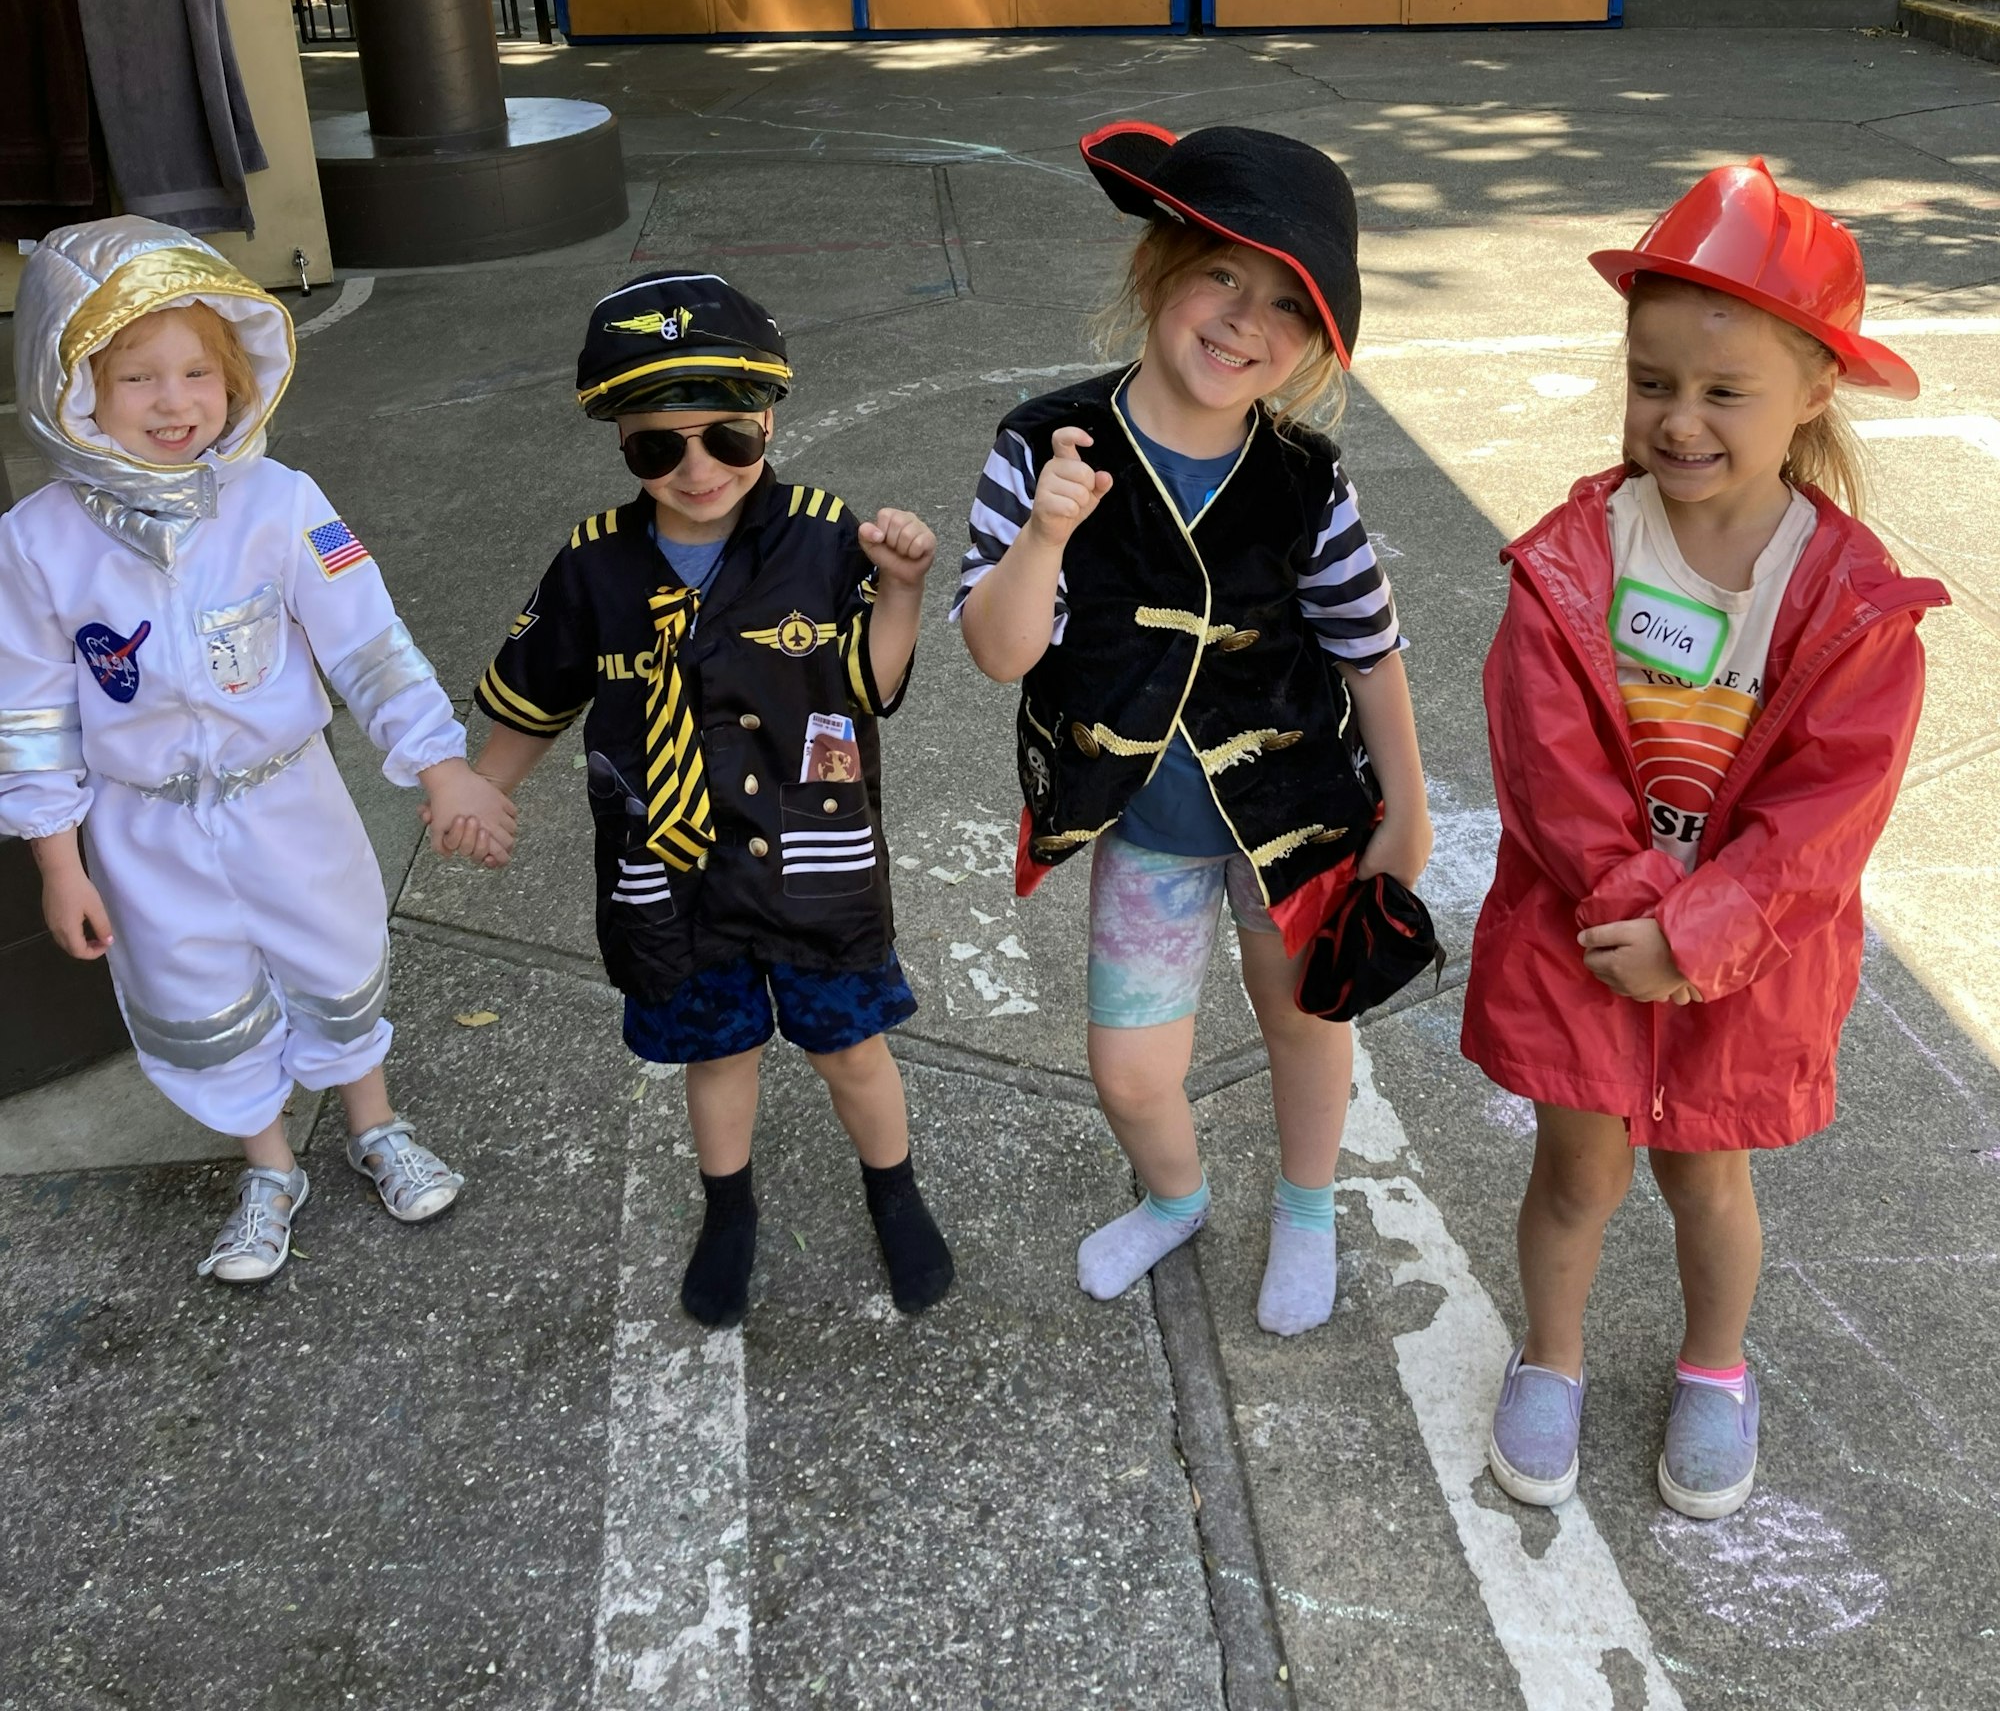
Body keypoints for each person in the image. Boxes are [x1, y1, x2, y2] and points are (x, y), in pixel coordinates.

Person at [1466, 160, 1949, 1519]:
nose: (1677, 421)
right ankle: (1550, 1358)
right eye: (1651, 380)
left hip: (1742, 957)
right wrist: (1637, 913)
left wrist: (1701, 934)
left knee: (1707, 1173)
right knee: (1575, 1170)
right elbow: (1547, 761)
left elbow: (1826, 815)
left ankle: (1715, 1368)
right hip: (1585, 934)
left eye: (1722, 391)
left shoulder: (1848, 599)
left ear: (1814, 392)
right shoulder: (1578, 556)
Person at [955, 123, 1432, 1336]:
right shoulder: (1046, 440)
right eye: (1221, 271)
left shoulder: (1305, 475)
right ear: (1160, 267)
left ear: (1313, 343)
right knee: (1129, 1069)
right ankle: (1175, 1197)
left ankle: (1308, 1206)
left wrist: (1408, 804)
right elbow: (997, 648)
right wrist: (1045, 536)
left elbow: (1366, 644)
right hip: (1145, 824)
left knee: (1303, 1018)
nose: (1241, 320)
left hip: (1297, 812)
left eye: (1285, 302)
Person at [0, 217, 516, 1283]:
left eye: (199, 370)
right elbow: (33, 703)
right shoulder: (38, 539)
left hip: (289, 802)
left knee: (332, 955)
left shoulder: (281, 504)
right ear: (69, 384)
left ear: (237, 375)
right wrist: (59, 859)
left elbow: (365, 640)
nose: (175, 400)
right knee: (198, 990)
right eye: (136, 376)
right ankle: (269, 1164)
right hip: (139, 827)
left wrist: (440, 758)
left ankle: (373, 1123)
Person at [469, 270, 953, 1326]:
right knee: (715, 1049)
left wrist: (903, 588)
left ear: (767, 420)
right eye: (659, 446)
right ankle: (726, 1207)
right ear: (622, 445)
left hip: (810, 857)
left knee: (846, 1045)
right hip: (669, 868)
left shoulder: (827, 537)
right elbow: (535, 698)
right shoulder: (592, 566)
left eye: (727, 438)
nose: (698, 467)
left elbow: (873, 684)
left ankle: (895, 1190)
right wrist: (481, 788)